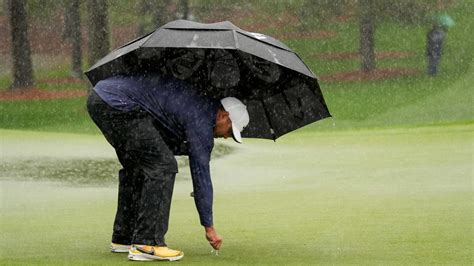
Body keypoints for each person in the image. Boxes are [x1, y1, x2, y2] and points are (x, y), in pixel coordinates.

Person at [86, 74, 249, 261]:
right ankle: (147, 243)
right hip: (120, 105)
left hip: (100, 98)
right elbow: (201, 175)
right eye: (230, 131)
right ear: (224, 116)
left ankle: (124, 238)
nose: (227, 137)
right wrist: (209, 226)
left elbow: (166, 138)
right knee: (163, 166)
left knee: (138, 167)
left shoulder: (199, 104)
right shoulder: (202, 119)